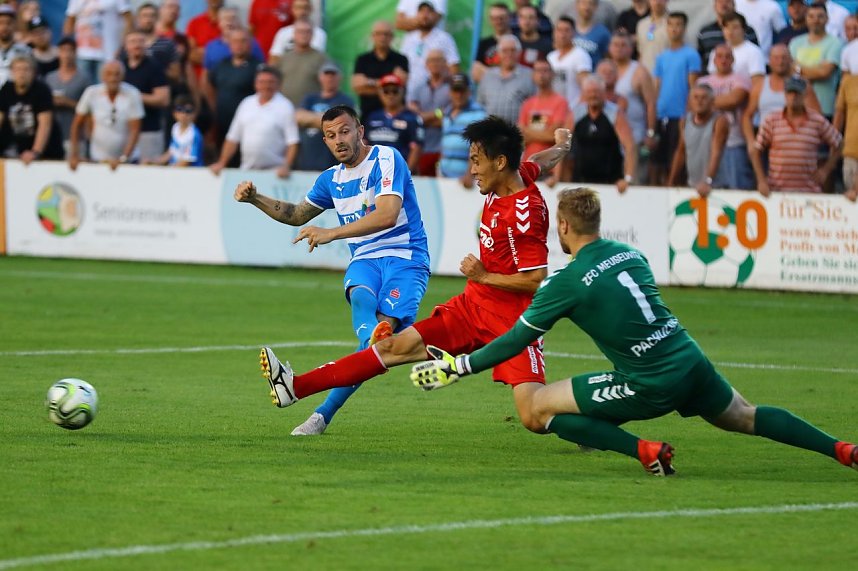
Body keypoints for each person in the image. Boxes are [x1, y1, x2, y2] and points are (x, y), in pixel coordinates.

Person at [409, 186, 858, 477]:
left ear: (562, 226)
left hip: (649, 381)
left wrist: (459, 366)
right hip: (691, 361)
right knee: (747, 416)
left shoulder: (565, 283)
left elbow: (513, 340)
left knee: (538, 410)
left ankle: (644, 451)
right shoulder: (631, 255)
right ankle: (840, 449)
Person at [254, 117, 573, 446]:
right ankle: (296, 387)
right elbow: (537, 161)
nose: (472, 170)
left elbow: (536, 281)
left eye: (476, 162)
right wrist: (562, 144)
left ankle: (585, 418)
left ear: (500, 162)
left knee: (534, 417)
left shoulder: (525, 212)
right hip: (470, 309)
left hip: (513, 323)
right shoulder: (511, 176)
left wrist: (484, 275)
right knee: (389, 347)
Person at [234, 103, 431, 436]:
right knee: (362, 301)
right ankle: (367, 342)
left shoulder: (386, 159)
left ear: (359, 131)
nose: (338, 140)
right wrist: (256, 199)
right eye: (330, 135)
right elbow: (295, 214)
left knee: (374, 345)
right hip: (365, 259)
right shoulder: (332, 179)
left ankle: (322, 412)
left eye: (344, 131)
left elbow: (386, 214)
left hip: (405, 257)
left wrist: (332, 233)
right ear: (324, 141)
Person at [750, 77, 842, 196]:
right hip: (776, 192)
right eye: (790, 93)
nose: (793, 97)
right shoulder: (771, 120)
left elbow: (839, 144)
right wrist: (761, 180)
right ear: (784, 95)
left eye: (797, 93)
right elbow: (756, 150)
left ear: (804, 95)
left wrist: (825, 171)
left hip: (809, 192)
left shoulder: (817, 121)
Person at [210, 65, 298, 177]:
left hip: (275, 173)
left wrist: (287, 165)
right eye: (262, 82)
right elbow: (232, 138)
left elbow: (292, 142)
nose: (266, 86)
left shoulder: (285, 106)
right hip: (247, 170)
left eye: (270, 82)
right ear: (255, 84)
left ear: (278, 84)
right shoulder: (246, 103)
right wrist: (222, 163)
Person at [651, 11, 701, 185]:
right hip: (661, 115)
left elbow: (693, 86)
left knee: (677, 159)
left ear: (684, 28)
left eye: (678, 24)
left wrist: (688, 113)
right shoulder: (662, 57)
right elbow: (657, 87)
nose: (674, 29)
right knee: (658, 161)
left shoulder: (691, 55)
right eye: (671, 24)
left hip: (679, 114)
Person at [69, 60, 144, 170]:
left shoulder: (132, 94)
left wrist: (123, 158)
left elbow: (135, 130)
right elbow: (77, 124)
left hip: (128, 160)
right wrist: (74, 154)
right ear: (102, 76)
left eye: (117, 74)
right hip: (98, 157)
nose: (113, 78)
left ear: (123, 76)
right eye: (109, 74)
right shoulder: (91, 93)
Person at [698, 44, 754, 189]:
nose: (723, 60)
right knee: (708, 189)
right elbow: (693, 107)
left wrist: (705, 102)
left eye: (727, 57)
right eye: (720, 56)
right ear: (714, 60)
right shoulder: (702, 82)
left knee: (737, 188)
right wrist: (718, 101)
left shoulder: (741, 80)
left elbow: (733, 100)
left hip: (733, 143)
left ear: (733, 60)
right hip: (705, 144)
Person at [569, 74, 637, 193]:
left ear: (604, 93)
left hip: (610, 182)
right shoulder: (576, 114)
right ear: (584, 94)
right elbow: (561, 147)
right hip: (580, 180)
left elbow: (630, 146)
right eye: (589, 92)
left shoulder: (615, 114)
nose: (593, 95)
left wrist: (628, 178)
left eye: (597, 91)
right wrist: (557, 177)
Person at [668, 83, 729, 196]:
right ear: (689, 101)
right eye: (695, 97)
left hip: (716, 186)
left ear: (712, 101)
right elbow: (681, 152)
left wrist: (708, 181)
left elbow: (716, 152)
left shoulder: (720, 121)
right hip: (693, 184)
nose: (699, 101)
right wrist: (671, 181)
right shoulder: (684, 121)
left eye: (704, 98)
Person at [0, 55, 64, 163]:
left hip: (48, 152)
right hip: (19, 148)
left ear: (34, 73)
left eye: (26, 69)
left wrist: (35, 152)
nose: (22, 73)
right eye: (18, 69)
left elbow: (45, 124)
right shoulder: (6, 90)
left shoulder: (42, 90)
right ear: (12, 72)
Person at [294, 62, 355, 172]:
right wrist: (328, 120)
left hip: (331, 163)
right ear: (320, 77)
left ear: (340, 77)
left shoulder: (345, 101)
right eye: (326, 74)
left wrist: (310, 119)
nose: (329, 78)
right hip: (305, 162)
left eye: (333, 75)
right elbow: (298, 117)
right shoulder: (310, 98)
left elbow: (342, 124)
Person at [518, 59, 569, 186]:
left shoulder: (560, 102)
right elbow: (520, 137)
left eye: (545, 71)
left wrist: (529, 132)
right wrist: (545, 134)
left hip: (548, 168)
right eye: (537, 71)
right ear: (532, 75)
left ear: (552, 74)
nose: (541, 74)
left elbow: (555, 136)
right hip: (527, 167)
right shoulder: (527, 104)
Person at [121, 31, 170, 162]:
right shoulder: (120, 67)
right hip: (124, 131)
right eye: (132, 42)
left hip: (148, 131)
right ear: (125, 46)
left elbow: (163, 99)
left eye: (140, 41)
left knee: (148, 169)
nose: (137, 45)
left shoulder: (154, 67)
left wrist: (134, 95)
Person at [790, 2, 843, 120]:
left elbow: (824, 72)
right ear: (806, 18)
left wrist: (798, 69)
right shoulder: (795, 43)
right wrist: (816, 69)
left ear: (827, 19)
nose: (816, 20)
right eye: (811, 16)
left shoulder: (835, 43)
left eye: (820, 16)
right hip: (798, 108)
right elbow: (788, 71)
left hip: (824, 109)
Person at [351, 20, 409, 124]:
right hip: (368, 115)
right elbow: (358, 87)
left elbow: (402, 86)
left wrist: (368, 83)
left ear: (392, 37)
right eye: (379, 34)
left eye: (386, 34)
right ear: (372, 36)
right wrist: (388, 84)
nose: (382, 37)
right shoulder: (363, 59)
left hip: (397, 118)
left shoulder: (401, 59)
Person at [364, 74, 424, 173]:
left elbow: (416, 148)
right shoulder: (372, 117)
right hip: (373, 174)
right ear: (380, 93)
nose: (390, 95)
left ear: (402, 92)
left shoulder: (412, 118)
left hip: (398, 173)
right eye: (386, 91)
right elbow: (364, 144)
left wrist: (406, 174)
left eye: (395, 91)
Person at [63, 0, 133, 82]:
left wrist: (122, 46)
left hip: (109, 53)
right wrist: (67, 48)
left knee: (104, 89)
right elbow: (69, 22)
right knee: (81, 89)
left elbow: (129, 21)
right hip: (82, 53)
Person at [400, 1, 460, 96]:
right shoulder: (409, 39)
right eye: (422, 12)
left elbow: (454, 69)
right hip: (409, 95)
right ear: (417, 15)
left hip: (436, 94)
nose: (425, 15)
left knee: (437, 111)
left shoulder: (444, 38)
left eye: (429, 12)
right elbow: (401, 66)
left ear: (435, 15)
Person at [45, 37, 93, 155]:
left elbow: (90, 109)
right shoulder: (50, 78)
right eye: (63, 50)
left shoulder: (84, 78)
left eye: (70, 50)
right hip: (52, 135)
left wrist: (68, 102)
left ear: (75, 53)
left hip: (76, 136)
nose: (67, 54)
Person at [406, 49, 450, 176]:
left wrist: (423, 118)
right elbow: (414, 118)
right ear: (426, 64)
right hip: (422, 149)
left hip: (443, 150)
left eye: (438, 60)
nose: (435, 64)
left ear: (445, 63)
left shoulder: (453, 88)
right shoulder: (418, 88)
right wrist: (438, 113)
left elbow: (450, 119)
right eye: (431, 60)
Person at [476, 35, 535, 125]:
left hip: (516, 133)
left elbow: (535, 107)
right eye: (505, 51)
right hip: (490, 132)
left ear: (519, 53)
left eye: (513, 50)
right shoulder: (488, 76)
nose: (509, 54)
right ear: (498, 53)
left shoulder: (530, 75)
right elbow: (480, 105)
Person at [438, 73, 486, 185]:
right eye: (455, 90)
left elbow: (479, 147)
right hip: (444, 177)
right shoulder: (447, 112)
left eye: (462, 91)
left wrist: (470, 173)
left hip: (466, 180)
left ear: (469, 92)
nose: (458, 95)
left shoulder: (479, 113)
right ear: (450, 92)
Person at [274, 19, 329, 107]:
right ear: (294, 34)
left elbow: (328, 87)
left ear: (312, 35)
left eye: (308, 32)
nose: (304, 35)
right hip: (285, 109)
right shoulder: (284, 58)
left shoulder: (322, 59)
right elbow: (275, 82)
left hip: (310, 110)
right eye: (300, 32)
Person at [706, 12, 765, 91]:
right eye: (726, 27)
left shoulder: (754, 52)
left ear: (744, 29)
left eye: (735, 27)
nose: (730, 31)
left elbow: (758, 84)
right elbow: (712, 78)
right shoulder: (716, 51)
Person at [547, 16, 592, 109]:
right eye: (559, 30)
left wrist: (577, 108)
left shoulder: (580, 55)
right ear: (554, 33)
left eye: (567, 30)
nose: (562, 34)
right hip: (552, 109)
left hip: (572, 108)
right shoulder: (550, 57)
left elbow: (586, 86)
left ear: (574, 33)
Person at [145, 95, 204, 166]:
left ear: (194, 114)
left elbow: (187, 161)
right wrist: (154, 162)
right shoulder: (175, 127)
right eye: (179, 110)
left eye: (188, 111)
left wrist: (169, 171)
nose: (183, 114)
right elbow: (171, 152)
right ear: (174, 113)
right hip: (175, 170)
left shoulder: (194, 134)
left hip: (190, 172)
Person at [698, 0, 759, 65]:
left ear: (734, 5)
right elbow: (700, 58)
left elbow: (756, 56)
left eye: (727, 1)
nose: (724, 4)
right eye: (720, 2)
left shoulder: (748, 30)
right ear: (714, 6)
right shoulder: (705, 32)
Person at [834, 61, 858, 201]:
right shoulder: (848, 82)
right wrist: (834, 145)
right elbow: (839, 114)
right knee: (851, 203)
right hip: (851, 152)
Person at [472, 2, 512, 83]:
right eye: (494, 18)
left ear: (509, 18)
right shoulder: (484, 43)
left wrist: (486, 72)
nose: (498, 21)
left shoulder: (517, 42)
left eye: (502, 18)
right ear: (490, 20)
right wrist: (502, 77)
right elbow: (475, 74)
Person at [0, 5, 32, 87]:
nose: (4, 27)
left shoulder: (25, 51)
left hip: (16, 97)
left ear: (14, 25)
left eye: (8, 23)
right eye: (1, 23)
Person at [574, 0, 612, 66]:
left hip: (593, 74)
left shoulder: (603, 32)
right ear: (577, 5)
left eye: (591, 4)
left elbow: (608, 58)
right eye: (583, 3)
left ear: (596, 7)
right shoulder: (568, 29)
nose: (587, 7)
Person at [514, 3, 552, 68]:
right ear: (518, 20)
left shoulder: (548, 45)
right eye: (523, 17)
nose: (527, 21)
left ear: (538, 21)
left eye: (531, 17)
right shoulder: (512, 43)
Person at [636, 0, 670, 73]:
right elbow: (641, 53)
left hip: (666, 73)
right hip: (646, 74)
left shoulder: (673, 25)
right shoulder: (641, 24)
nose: (657, 2)